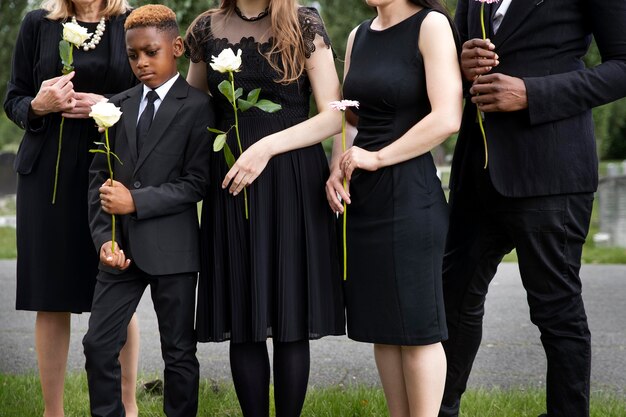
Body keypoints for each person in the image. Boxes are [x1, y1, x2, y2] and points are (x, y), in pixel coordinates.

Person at [439, 1, 626, 417]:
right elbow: (451, 60)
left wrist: (533, 94)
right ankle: (441, 409)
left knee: (555, 310)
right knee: (453, 300)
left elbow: (623, 66)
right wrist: (460, 60)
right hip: (477, 171)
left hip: (551, 171)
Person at [185, 0, 345, 415]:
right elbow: (192, 109)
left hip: (293, 181)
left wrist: (267, 148)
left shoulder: (304, 21)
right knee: (245, 321)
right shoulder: (207, 27)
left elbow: (335, 115)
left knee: (290, 321)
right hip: (232, 184)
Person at [324, 1, 462, 416]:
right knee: (384, 329)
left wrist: (378, 157)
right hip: (364, 198)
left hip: (409, 195)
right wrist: (337, 167)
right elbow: (347, 118)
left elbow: (447, 117)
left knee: (417, 330)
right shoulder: (358, 35)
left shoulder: (431, 25)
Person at [3, 0, 140, 415]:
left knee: (116, 283)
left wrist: (108, 105)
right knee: (51, 292)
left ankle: (127, 406)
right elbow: (14, 98)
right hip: (46, 175)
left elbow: (151, 93)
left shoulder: (129, 23)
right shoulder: (37, 24)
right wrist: (38, 107)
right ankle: (53, 412)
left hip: (111, 165)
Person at [82, 5, 213, 416]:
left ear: (175, 48)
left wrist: (135, 201)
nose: (140, 63)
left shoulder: (198, 107)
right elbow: (98, 180)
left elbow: (197, 183)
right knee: (98, 344)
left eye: (150, 52)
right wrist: (105, 240)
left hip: (172, 250)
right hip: (119, 252)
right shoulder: (115, 107)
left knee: (178, 352)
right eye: (133, 55)